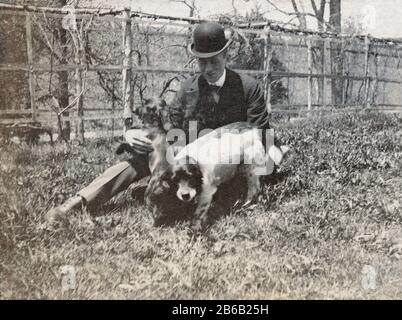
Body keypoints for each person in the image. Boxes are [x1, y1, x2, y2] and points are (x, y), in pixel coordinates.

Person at [46, 21, 270, 225]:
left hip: (229, 165)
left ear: (226, 56)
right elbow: (169, 127)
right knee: (142, 156)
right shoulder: (188, 89)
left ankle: (165, 190)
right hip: (186, 159)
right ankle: (75, 204)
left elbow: (260, 135)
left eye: (214, 61)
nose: (208, 68)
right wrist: (135, 135)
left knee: (226, 190)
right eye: (202, 62)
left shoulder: (248, 88)